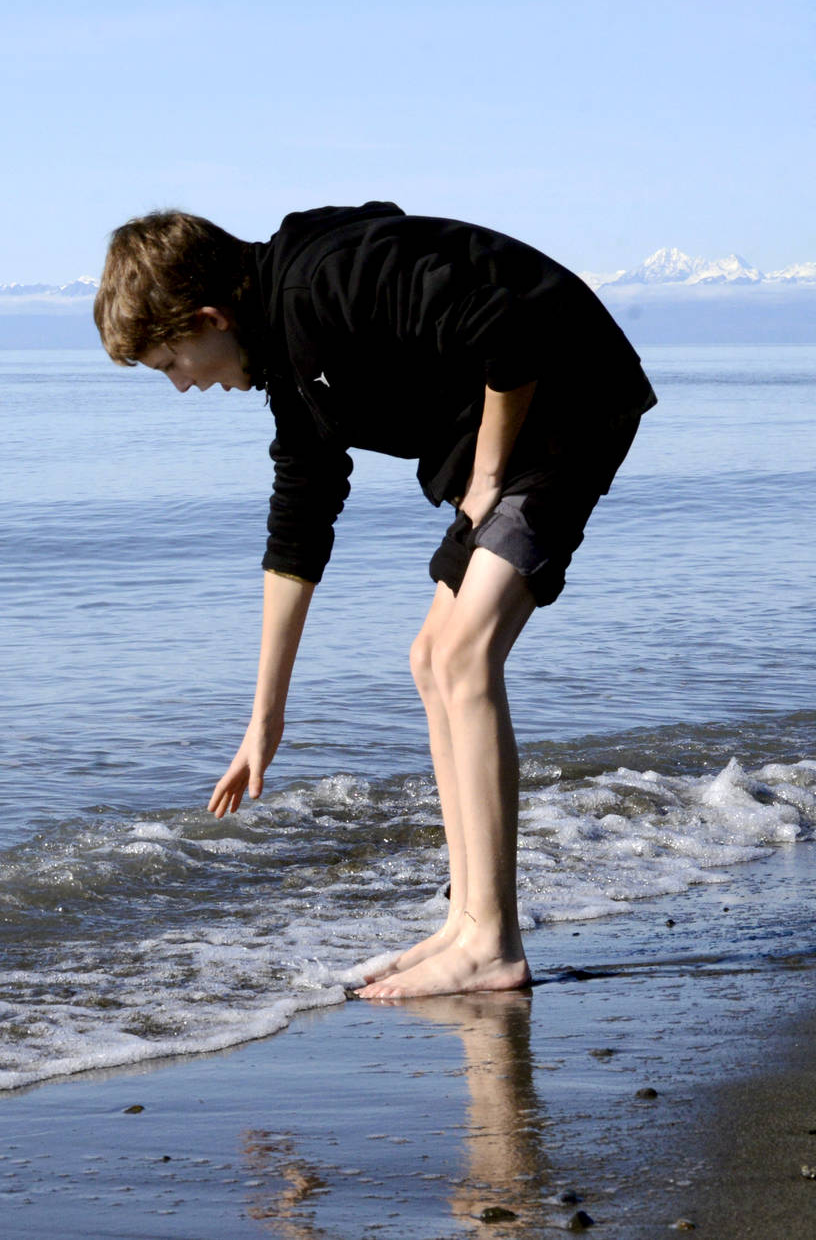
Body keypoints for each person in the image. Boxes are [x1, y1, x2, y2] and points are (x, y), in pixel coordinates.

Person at [92, 202, 655, 999]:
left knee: (465, 657)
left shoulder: (330, 278)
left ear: (210, 316)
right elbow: (298, 528)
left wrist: (488, 474)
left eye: (171, 362)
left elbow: (509, 333)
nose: (183, 384)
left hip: (566, 395)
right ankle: (466, 922)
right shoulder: (285, 359)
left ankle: (493, 943)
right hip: (504, 430)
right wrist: (265, 719)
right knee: (430, 659)